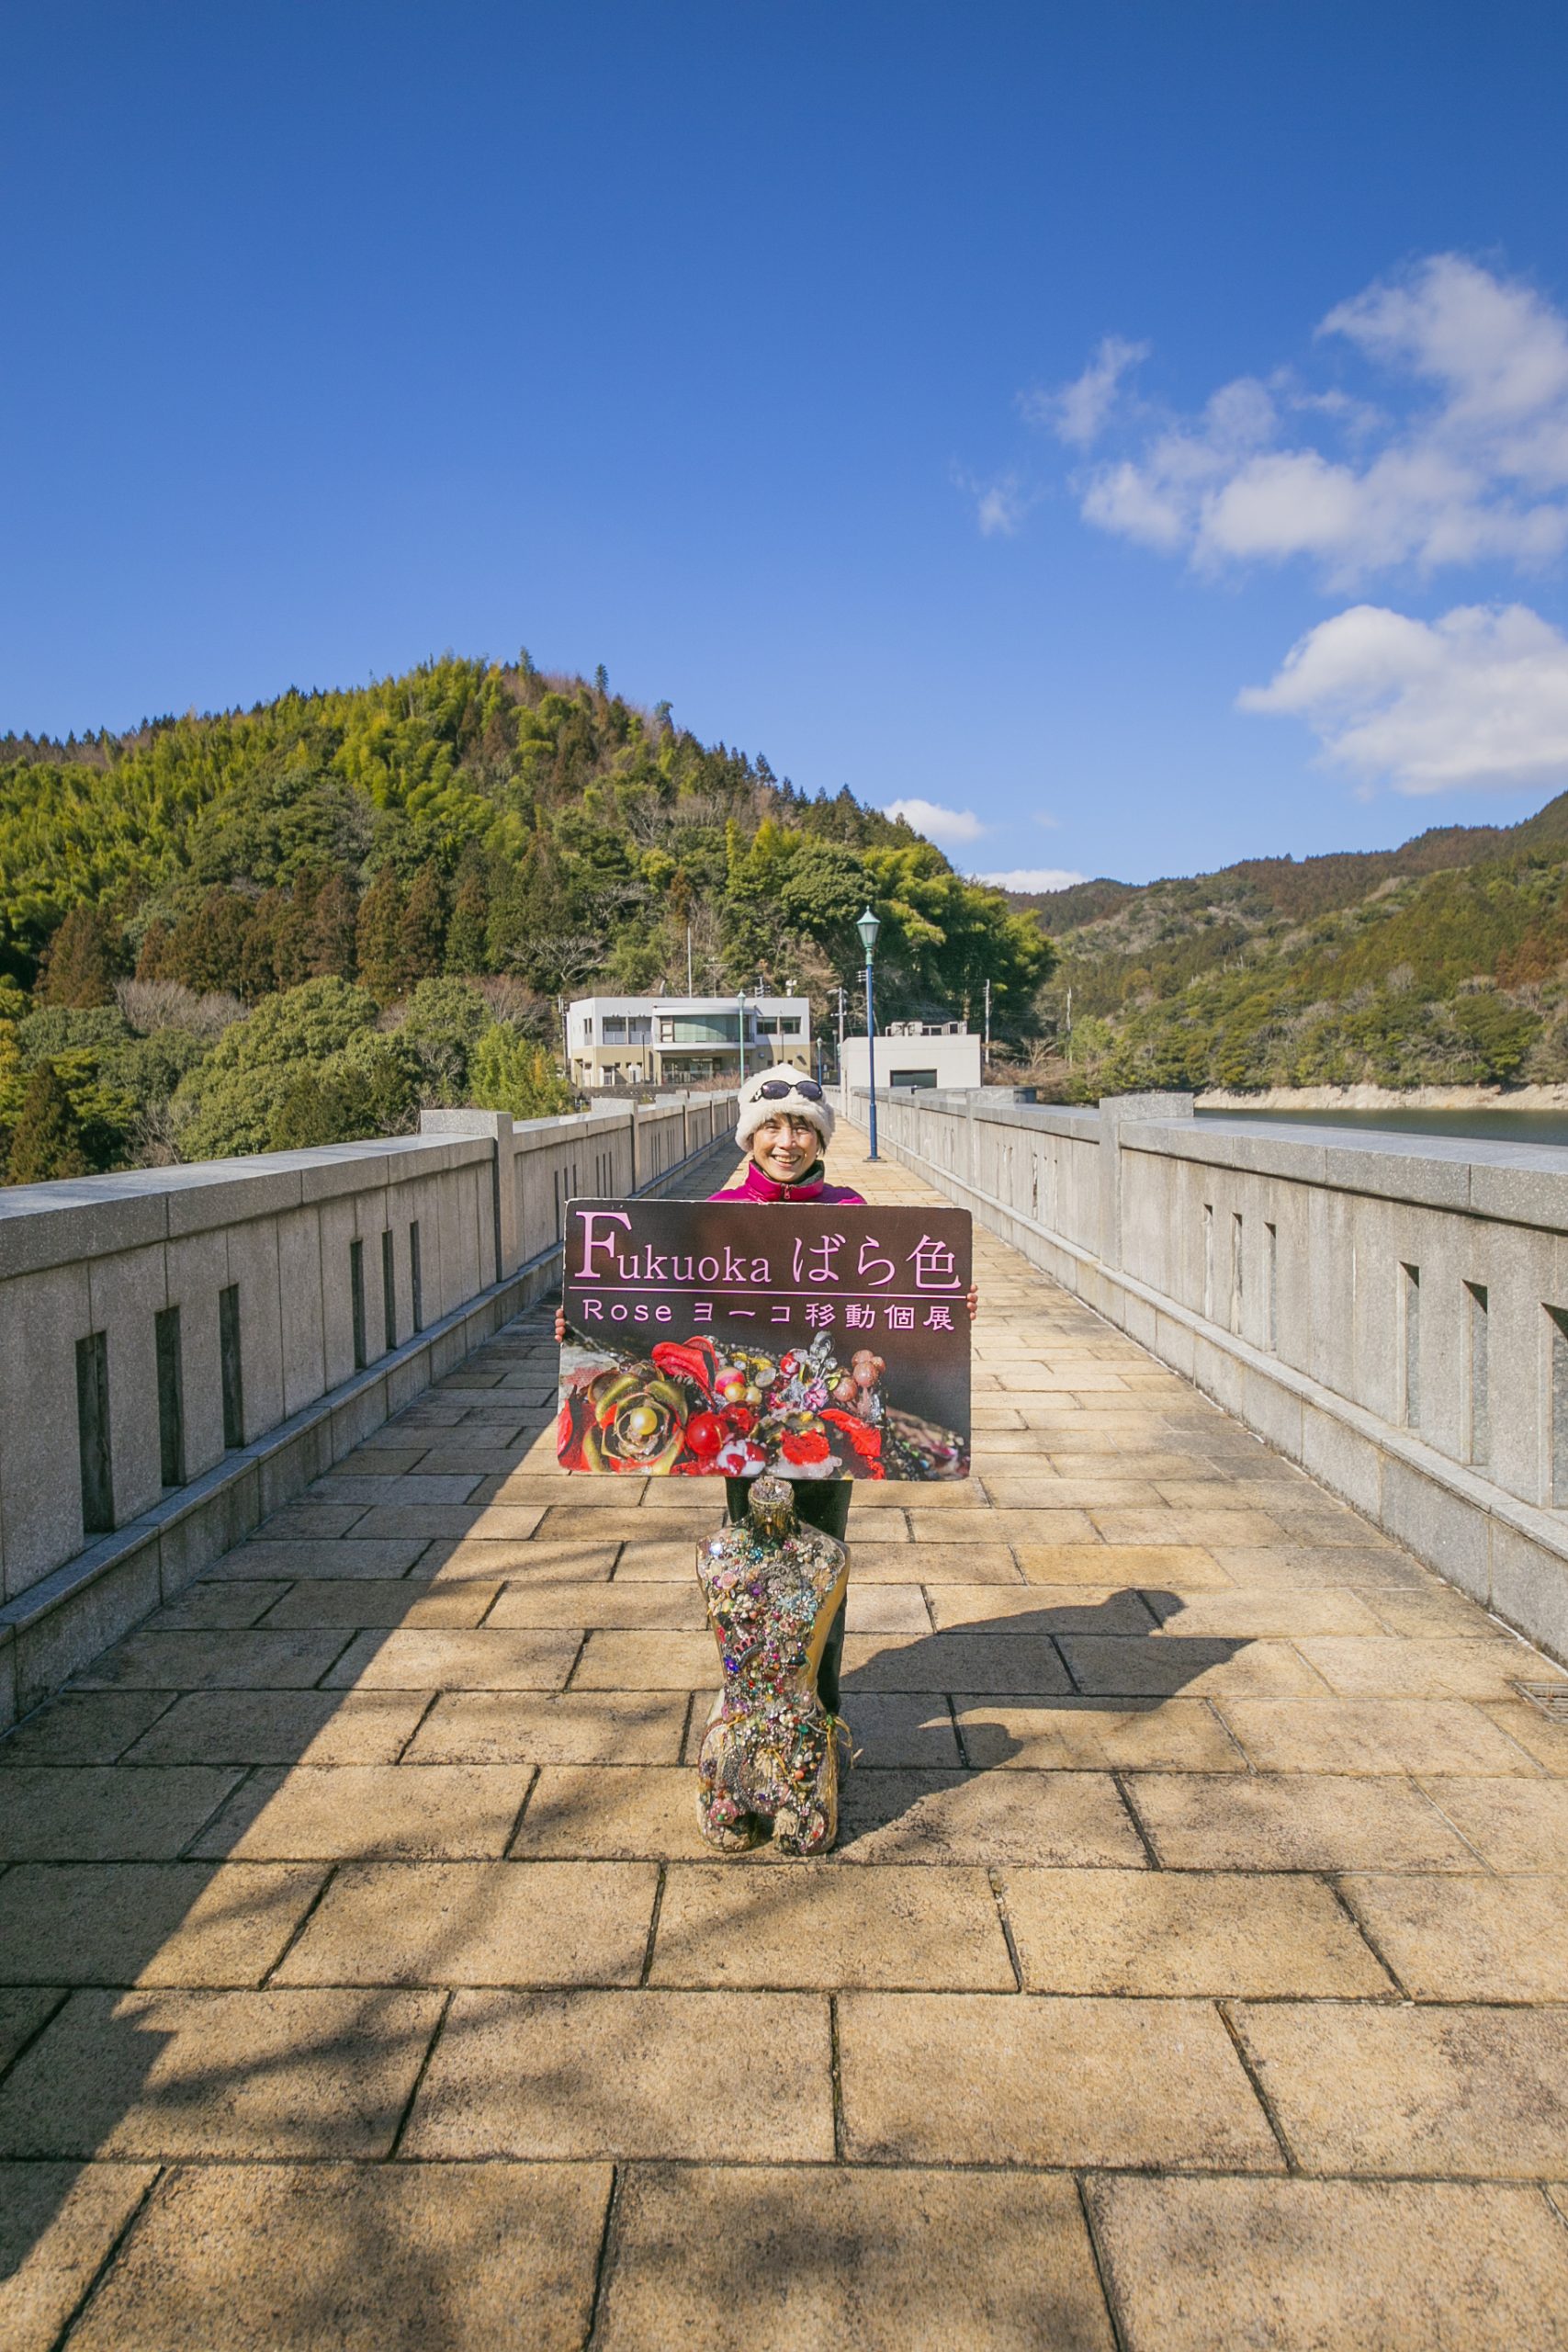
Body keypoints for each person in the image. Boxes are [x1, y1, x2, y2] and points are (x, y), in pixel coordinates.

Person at [557, 1065, 979, 1720]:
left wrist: (945, 1306)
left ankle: (820, 1710)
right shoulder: (716, 1214)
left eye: (803, 1128)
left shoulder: (850, 1213)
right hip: (743, 1429)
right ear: (749, 1137)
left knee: (824, 1562)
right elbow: (659, 1304)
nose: (787, 1142)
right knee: (749, 1562)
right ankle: (751, 1705)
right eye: (772, 1127)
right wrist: (585, 1316)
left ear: (821, 1138)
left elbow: (887, 1312)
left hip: (828, 1428)